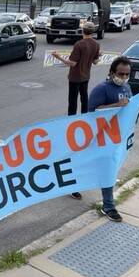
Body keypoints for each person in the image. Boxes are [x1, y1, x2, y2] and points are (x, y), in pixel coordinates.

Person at [88, 57, 139, 222]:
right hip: (101, 139)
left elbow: (129, 109)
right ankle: (108, 205)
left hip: (117, 139)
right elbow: (91, 113)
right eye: (120, 74)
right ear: (111, 73)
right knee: (103, 168)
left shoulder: (127, 87)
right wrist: (116, 105)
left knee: (109, 169)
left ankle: (108, 204)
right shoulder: (101, 89)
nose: (124, 77)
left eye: (127, 74)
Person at [51, 21, 100, 199]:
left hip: (75, 76)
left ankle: (72, 119)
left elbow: (72, 63)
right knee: (84, 97)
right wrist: (97, 55)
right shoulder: (96, 44)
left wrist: (58, 56)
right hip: (86, 75)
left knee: (72, 100)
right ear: (92, 31)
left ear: (82, 31)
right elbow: (96, 61)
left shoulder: (79, 44)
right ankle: (85, 117)